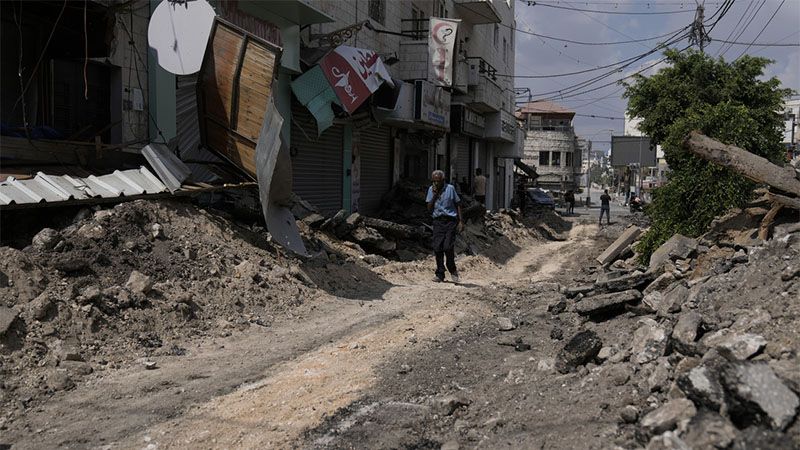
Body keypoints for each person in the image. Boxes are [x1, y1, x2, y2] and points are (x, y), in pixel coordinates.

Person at [426, 170, 463, 283]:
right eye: (434, 181)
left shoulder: (450, 189)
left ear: (443, 180)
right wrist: (435, 194)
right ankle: (440, 273)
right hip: (438, 221)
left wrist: (461, 221)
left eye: (438, 181)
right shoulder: (431, 190)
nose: (436, 183)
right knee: (437, 248)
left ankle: (452, 269)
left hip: (450, 221)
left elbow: (458, 204)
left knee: (447, 247)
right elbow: (429, 208)